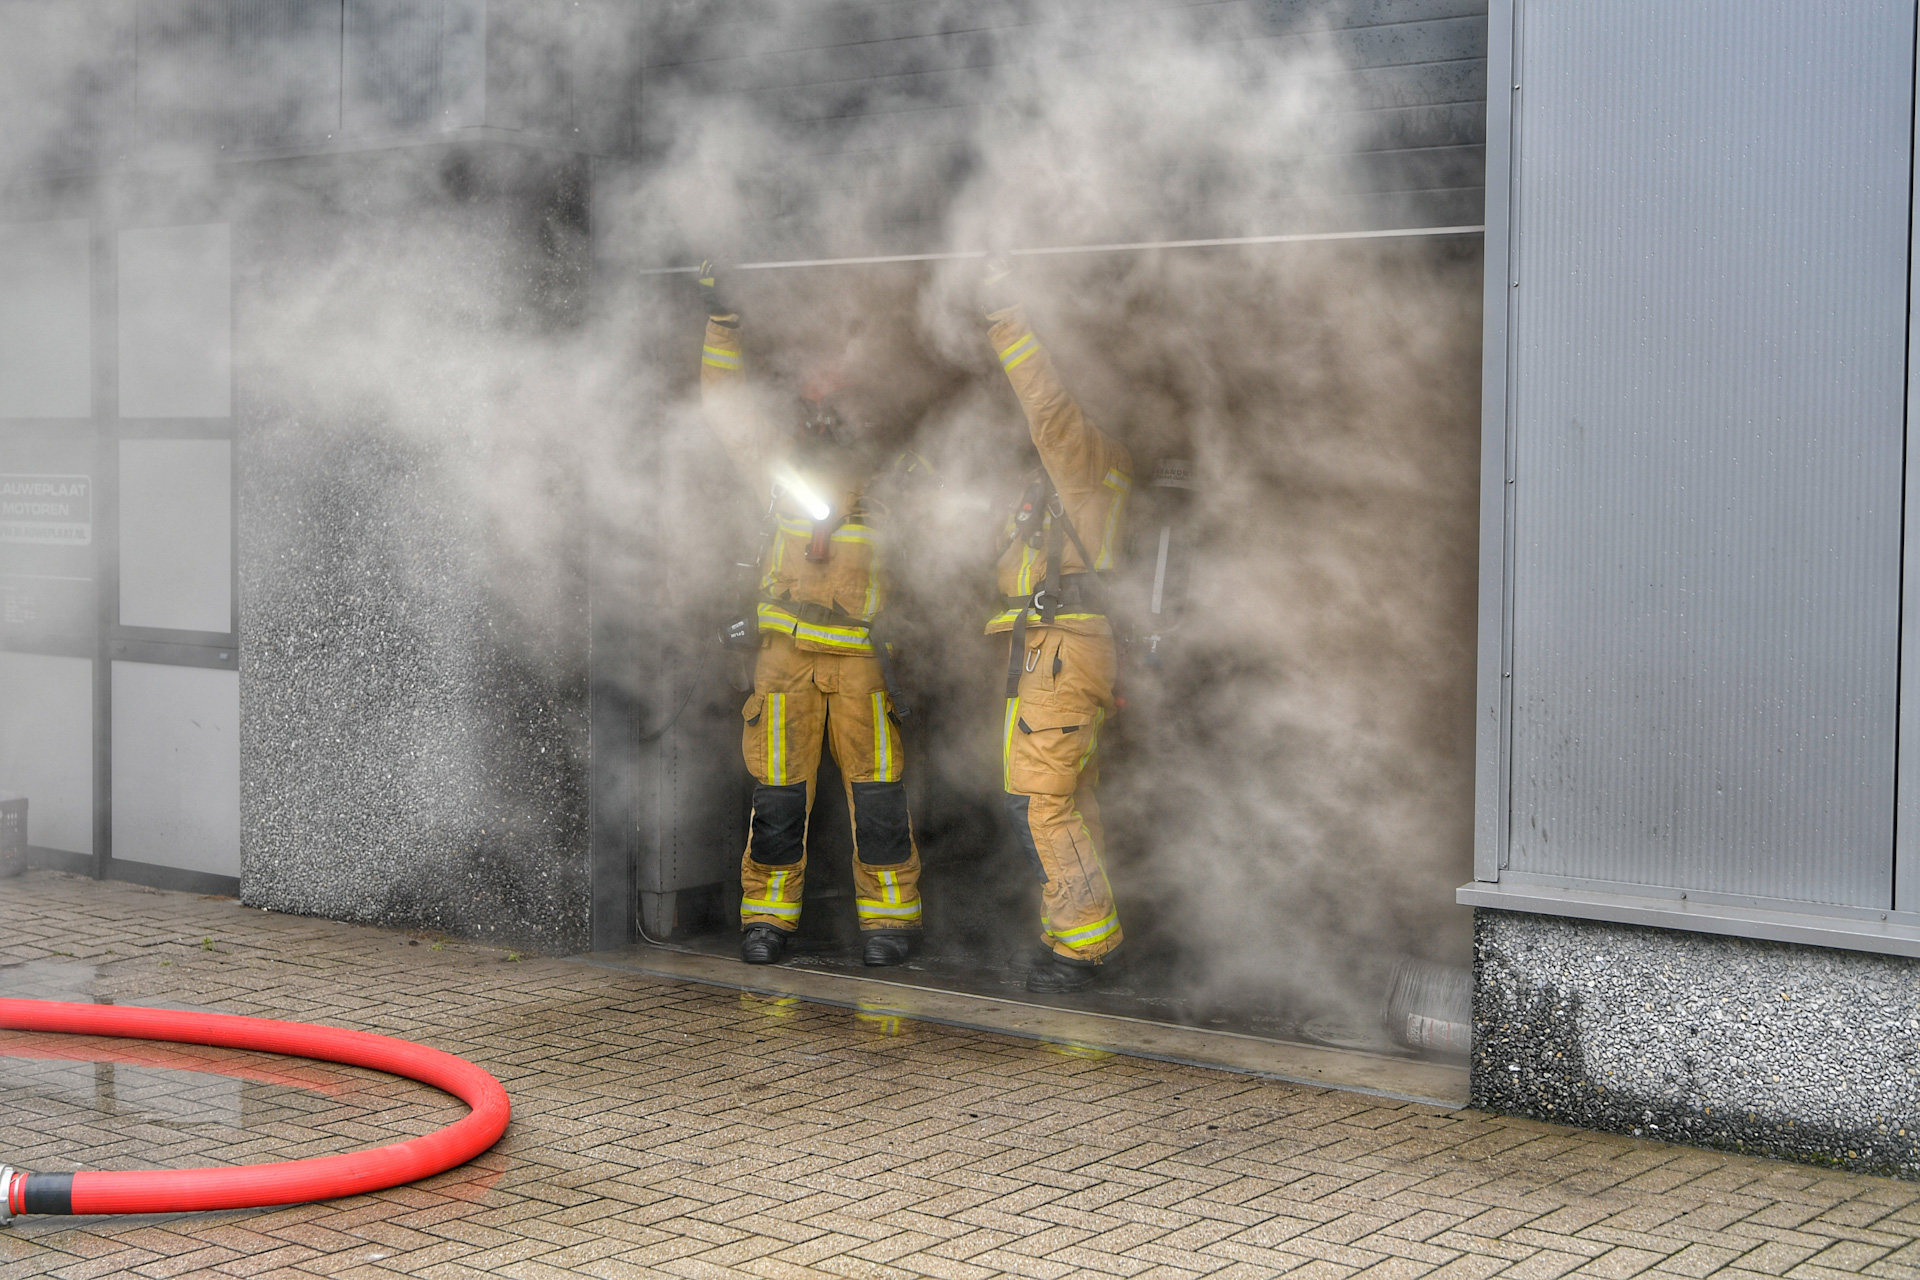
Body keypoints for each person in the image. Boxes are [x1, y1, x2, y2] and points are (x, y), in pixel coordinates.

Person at [696, 261, 921, 967]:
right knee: (778, 800)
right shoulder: (777, 466)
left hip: (861, 659)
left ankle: (891, 923)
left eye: (840, 390)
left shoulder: (893, 479)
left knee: (878, 801)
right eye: (815, 390)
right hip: (785, 659)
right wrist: (722, 320)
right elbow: (722, 402)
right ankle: (767, 919)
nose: (825, 401)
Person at [979, 259, 1134, 994]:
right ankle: (1076, 935)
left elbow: (1045, 405)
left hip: (1063, 653)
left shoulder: (1080, 456)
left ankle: (1079, 947)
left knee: (1040, 799)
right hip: (1056, 649)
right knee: (1070, 797)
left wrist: (1004, 314)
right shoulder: (1070, 477)